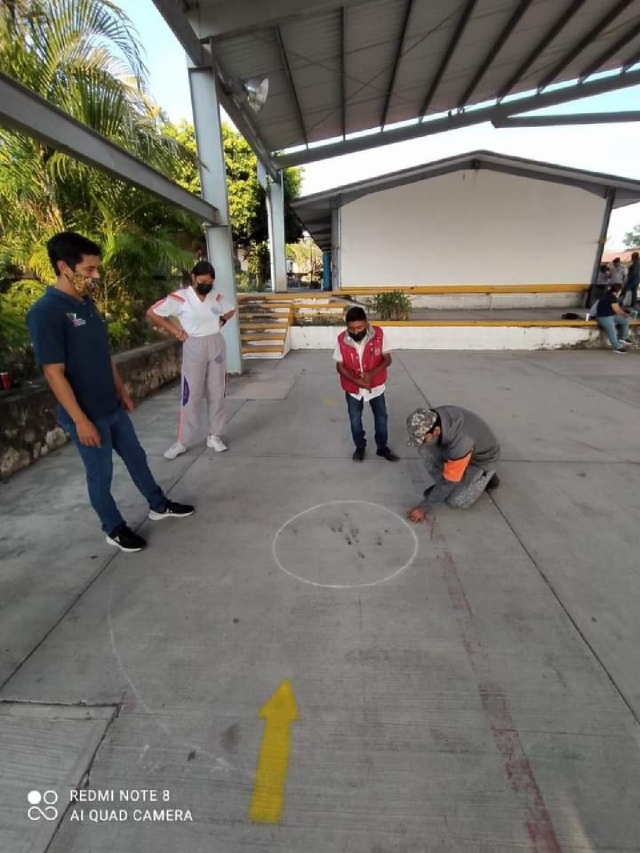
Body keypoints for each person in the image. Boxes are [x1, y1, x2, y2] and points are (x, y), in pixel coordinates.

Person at [26, 232, 194, 553]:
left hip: (112, 405)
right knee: (100, 475)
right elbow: (53, 372)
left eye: (96, 269)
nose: (95, 276)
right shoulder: (45, 312)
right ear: (64, 267)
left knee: (136, 458)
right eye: (89, 270)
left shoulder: (87, 305)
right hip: (85, 415)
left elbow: (103, 355)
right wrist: (80, 421)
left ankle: (158, 505)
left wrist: (121, 390)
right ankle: (113, 527)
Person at [146, 261, 236, 459]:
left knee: (217, 390)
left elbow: (231, 309)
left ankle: (215, 435)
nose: (206, 284)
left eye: (210, 281)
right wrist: (176, 332)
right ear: (194, 278)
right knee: (191, 393)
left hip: (216, 344)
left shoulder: (215, 296)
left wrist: (222, 320)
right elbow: (152, 312)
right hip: (194, 345)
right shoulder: (180, 297)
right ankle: (182, 441)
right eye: (203, 281)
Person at [406, 406, 500, 523]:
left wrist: (424, 507)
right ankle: (454, 477)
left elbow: (449, 481)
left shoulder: (461, 444)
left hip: (481, 460)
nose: (421, 441)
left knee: (456, 501)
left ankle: (487, 478)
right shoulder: (434, 417)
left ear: (436, 431)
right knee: (424, 449)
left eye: (423, 438)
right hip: (463, 451)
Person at [333, 305, 398, 462]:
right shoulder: (342, 339)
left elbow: (388, 359)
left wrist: (371, 374)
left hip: (376, 388)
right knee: (355, 420)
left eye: (359, 327)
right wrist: (357, 381)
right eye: (352, 328)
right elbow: (339, 366)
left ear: (366, 323)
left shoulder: (379, 334)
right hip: (353, 390)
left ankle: (382, 448)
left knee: (381, 419)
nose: (356, 332)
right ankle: (360, 447)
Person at [594, 282, 633, 353]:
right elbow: (616, 309)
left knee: (624, 322)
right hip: (604, 317)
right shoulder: (612, 297)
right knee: (612, 330)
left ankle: (623, 337)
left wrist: (623, 314)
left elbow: (616, 308)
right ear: (618, 291)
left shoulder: (609, 295)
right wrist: (625, 314)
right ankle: (617, 347)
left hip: (611, 315)